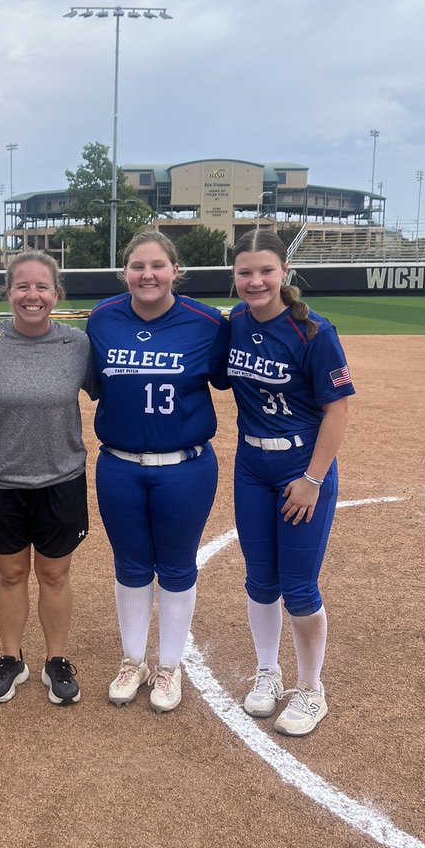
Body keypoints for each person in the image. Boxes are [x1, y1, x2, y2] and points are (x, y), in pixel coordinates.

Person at [86, 231, 230, 713]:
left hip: (185, 467)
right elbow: (89, 383)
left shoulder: (206, 323)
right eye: (137, 266)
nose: (147, 275)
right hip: (119, 465)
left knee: (176, 566)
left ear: (175, 270)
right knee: (129, 565)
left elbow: (234, 381)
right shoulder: (103, 318)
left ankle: (169, 666)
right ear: (124, 272)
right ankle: (134, 660)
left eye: (157, 265)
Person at [228, 228, 355, 736]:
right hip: (251, 468)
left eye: (265, 271)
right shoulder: (234, 323)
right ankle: (268, 672)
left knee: (298, 587)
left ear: (284, 273)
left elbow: (338, 409)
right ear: (233, 276)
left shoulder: (314, 331)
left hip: (300, 468)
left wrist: (312, 478)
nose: (255, 281)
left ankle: (310, 689)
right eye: (245, 272)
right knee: (260, 579)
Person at [0, 251, 91, 706]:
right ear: (8, 292)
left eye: (41, 287)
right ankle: (11, 658)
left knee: (55, 573)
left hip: (61, 476)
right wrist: (12, 410)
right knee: (10, 572)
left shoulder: (76, 344)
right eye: (22, 286)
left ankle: (56, 660)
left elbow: (105, 387)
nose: (31, 295)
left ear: (56, 294)